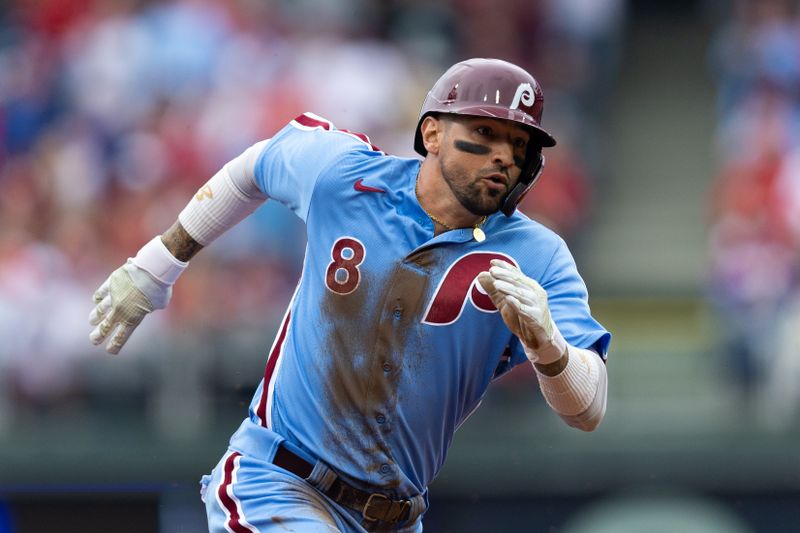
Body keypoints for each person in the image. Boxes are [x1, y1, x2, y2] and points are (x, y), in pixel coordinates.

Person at [88, 58, 611, 533]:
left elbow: (587, 407)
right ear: (431, 132)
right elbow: (257, 165)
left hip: (395, 518)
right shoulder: (348, 176)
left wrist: (549, 349)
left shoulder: (537, 256)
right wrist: (156, 265)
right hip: (279, 480)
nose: (503, 156)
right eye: (484, 132)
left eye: (518, 145)